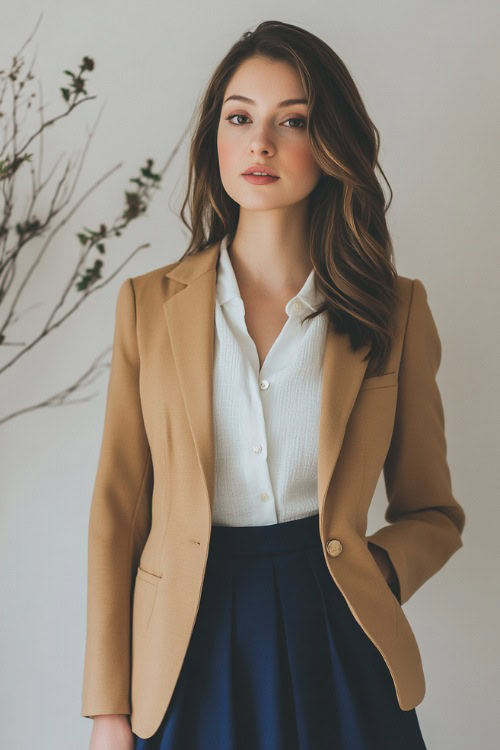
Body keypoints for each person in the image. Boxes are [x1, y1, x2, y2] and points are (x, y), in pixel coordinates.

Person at [82, 20, 466, 750]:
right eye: (240, 117)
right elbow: (116, 516)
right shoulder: (145, 306)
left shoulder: (393, 310)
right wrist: (108, 708)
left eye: (292, 120)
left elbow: (433, 511)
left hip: (340, 634)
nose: (260, 142)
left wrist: (378, 567)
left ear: (330, 146)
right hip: (189, 640)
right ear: (215, 141)